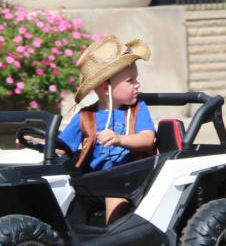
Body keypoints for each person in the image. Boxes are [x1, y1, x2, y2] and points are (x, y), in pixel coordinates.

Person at [58, 35, 156, 224]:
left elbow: (147, 140)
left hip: (130, 178)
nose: (137, 85)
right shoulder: (85, 116)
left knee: (113, 194)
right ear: (105, 88)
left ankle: (114, 237)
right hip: (92, 181)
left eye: (136, 79)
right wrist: (36, 144)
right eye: (130, 80)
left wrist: (120, 139)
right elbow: (61, 147)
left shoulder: (136, 109)